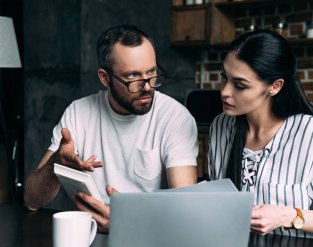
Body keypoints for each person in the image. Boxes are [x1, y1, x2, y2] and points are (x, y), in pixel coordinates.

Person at [24, 24, 198, 233]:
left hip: (150, 239)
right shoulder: (78, 113)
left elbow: (187, 213)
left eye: (151, 73)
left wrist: (124, 222)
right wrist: (56, 163)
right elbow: (32, 200)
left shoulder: (175, 118)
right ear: (105, 78)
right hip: (89, 239)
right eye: (133, 77)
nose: (148, 87)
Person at [208, 30, 313, 240]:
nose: (224, 91)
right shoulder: (221, 126)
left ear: (275, 86)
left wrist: (286, 216)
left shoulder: (310, 134)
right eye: (224, 77)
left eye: (240, 85)